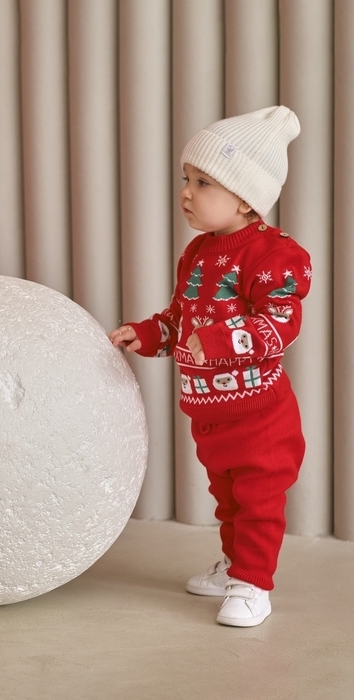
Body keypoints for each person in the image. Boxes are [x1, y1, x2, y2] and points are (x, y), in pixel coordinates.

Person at [109, 106, 311, 627]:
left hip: (260, 415)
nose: (186, 193)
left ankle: (254, 584)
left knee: (258, 500)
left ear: (245, 197)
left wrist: (220, 340)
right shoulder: (198, 253)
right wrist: (147, 333)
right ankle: (234, 567)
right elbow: (181, 319)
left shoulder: (275, 255)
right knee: (227, 501)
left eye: (203, 182)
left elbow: (279, 324)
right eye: (185, 179)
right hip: (211, 414)